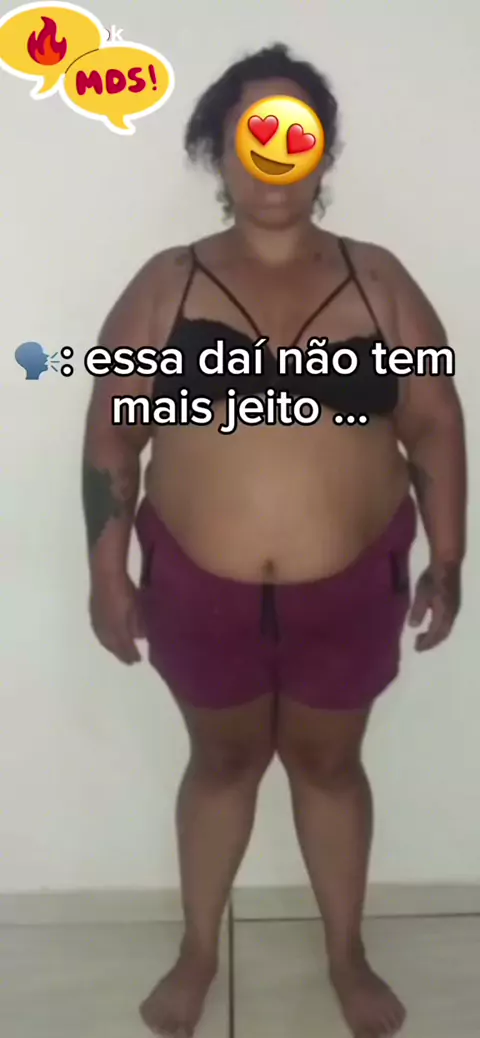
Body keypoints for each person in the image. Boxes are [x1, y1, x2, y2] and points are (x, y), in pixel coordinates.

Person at [82, 42, 466, 1038]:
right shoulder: (167, 283)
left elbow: (434, 422)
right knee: (220, 764)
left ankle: (347, 954)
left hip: (350, 586)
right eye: (250, 136)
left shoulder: (378, 280)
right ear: (218, 152)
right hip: (197, 586)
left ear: (321, 152)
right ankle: (198, 950)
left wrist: (449, 555)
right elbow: (114, 429)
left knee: (332, 767)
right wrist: (105, 568)